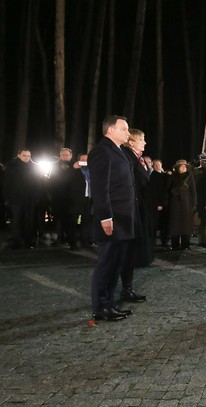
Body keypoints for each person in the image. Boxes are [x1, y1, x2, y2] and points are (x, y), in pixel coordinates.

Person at [88, 115, 135, 321]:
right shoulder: (101, 152)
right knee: (106, 263)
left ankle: (110, 303)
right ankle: (100, 307)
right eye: (124, 129)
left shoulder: (119, 151)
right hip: (112, 218)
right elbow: (100, 188)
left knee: (116, 264)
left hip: (123, 218)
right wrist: (105, 217)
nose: (128, 132)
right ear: (110, 130)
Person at [118, 128, 151, 303]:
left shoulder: (135, 158)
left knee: (130, 253)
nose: (145, 142)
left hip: (137, 210)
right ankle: (122, 290)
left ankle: (127, 288)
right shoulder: (126, 158)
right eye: (142, 139)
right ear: (131, 142)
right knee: (125, 253)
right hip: (129, 211)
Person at [3, 149, 43, 249]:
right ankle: (17, 241)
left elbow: (38, 183)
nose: (27, 158)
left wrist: (37, 196)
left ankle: (28, 241)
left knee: (29, 221)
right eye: (24, 155)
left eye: (29, 156)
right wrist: (7, 198)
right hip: (15, 199)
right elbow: (6, 183)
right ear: (19, 155)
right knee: (17, 221)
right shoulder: (11, 165)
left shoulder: (33, 166)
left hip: (30, 199)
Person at [168, 159, 197, 250]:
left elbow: (193, 190)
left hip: (187, 204)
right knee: (175, 225)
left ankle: (186, 245)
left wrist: (194, 203)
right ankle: (175, 245)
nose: (184, 167)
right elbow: (169, 190)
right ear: (177, 168)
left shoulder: (190, 176)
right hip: (175, 203)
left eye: (185, 166)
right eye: (181, 166)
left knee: (186, 225)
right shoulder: (173, 176)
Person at [67, 154, 94, 249]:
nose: (84, 162)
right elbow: (67, 180)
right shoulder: (74, 171)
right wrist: (73, 168)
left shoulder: (91, 171)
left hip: (88, 199)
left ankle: (85, 242)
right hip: (76, 199)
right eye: (82, 160)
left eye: (86, 160)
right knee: (74, 222)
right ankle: (72, 243)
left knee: (86, 221)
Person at [50, 147, 74, 246]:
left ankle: (68, 238)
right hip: (57, 197)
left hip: (71, 198)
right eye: (63, 155)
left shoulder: (74, 166)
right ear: (60, 156)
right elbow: (51, 182)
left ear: (71, 156)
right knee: (57, 219)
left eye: (66, 155)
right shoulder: (54, 166)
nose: (64, 157)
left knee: (69, 219)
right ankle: (57, 238)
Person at [194, 153, 206, 248]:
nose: (204, 162)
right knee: (199, 222)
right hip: (197, 200)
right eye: (202, 160)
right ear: (200, 161)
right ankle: (200, 240)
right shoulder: (195, 171)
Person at [150, 159, 170, 247]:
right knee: (156, 224)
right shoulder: (153, 176)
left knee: (165, 224)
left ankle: (164, 241)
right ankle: (153, 242)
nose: (158, 166)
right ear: (153, 166)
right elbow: (155, 192)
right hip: (158, 204)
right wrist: (159, 204)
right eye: (156, 165)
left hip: (166, 203)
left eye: (159, 164)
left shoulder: (164, 175)